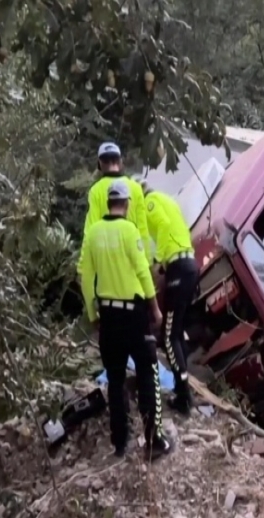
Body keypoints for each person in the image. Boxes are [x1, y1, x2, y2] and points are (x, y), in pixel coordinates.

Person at [80, 179, 174, 460]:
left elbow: (86, 279)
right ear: (127, 204)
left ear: (109, 204)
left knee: (115, 379)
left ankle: (120, 444)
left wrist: (92, 313)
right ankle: (154, 440)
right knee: (148, 372)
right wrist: (155, 308)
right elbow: (144, 273)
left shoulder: (93, 234)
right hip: (133, 314)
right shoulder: (130, 231)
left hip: (107, 316)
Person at [140, 179, 197, 415]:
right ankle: (184, 387)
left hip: (178, 268)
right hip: (189, 265)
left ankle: (183, 395)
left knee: (169, 334)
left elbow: (162, 227)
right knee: (177, 331)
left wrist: (157, 263)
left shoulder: (151, 202)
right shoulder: (168, 201)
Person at [79, 142, 153, 274]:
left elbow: (89, 232)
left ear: (100, 164)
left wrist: (84, 266)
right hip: (133, 262)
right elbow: (143, 231)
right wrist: (147, 263)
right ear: (120, 161)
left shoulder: (95, 191)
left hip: (107, 265)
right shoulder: (135, 189)